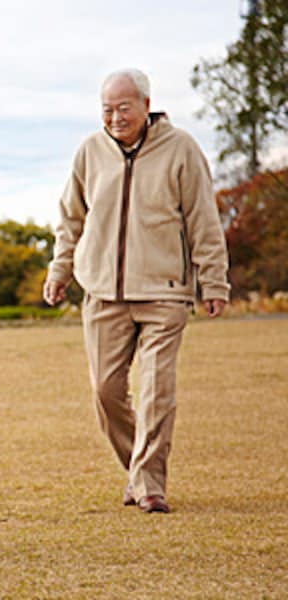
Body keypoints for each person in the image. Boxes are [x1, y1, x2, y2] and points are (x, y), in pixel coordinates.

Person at [43, 69, 229, 514]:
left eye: (123, 108)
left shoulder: (181, 149)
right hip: (103, 292)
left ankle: (149, 483)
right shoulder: (90, 152)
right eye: (107, 109)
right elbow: (71, 218)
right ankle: (138, 470)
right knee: (106, 392)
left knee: (156, 390)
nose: (115, 117)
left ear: (146, 105)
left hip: (165, 291)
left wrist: (213, 280)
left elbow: (203, 219)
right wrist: (59, 270)